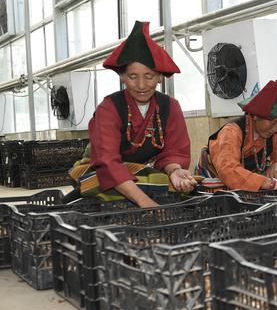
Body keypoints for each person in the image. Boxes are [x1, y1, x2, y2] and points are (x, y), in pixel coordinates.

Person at [68, 21, 197, 207]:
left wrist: (174, 170)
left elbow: (174, 151)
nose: (141, 85)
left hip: (142, 172)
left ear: (160, 77)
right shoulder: (109, 107)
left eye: (149, 76)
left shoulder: (170, 106)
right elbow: (107, 162)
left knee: (183, 183)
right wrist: (146, 203)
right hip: (99, 170)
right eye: (133, 76)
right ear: (122, 77)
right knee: (103, 181)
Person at [196, 79, 277, 191]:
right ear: (255, 116)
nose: (276, 128)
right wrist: (270, 184)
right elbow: (229, 170)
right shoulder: (231, 132)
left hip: (244, 187)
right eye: (273, 122)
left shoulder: (275, 136)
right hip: (212, 186)